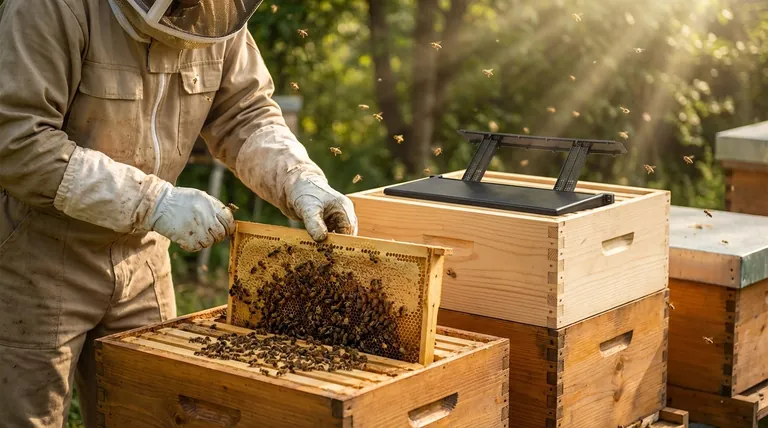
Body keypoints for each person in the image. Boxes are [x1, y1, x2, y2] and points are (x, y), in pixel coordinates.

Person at [0, 0, 358, 426]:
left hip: (144, 256)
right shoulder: (50, 8)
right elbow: (19, 141)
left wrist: (298, 179)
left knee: (152, 413)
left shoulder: (216, 11)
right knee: (27, 416)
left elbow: (245, 115)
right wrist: (153, 202)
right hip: (39, 253)